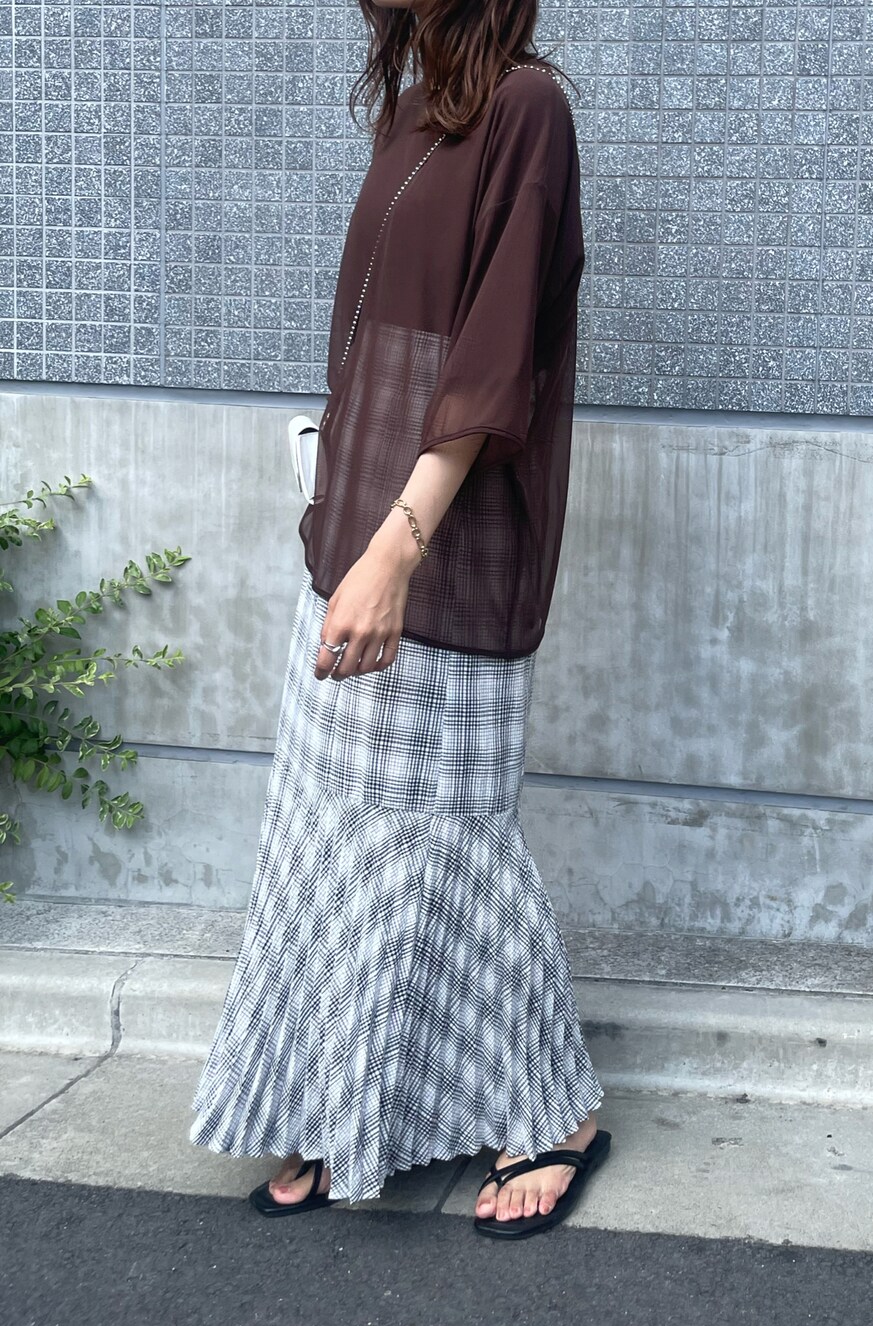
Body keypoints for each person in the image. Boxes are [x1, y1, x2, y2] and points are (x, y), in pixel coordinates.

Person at [188, 0, 609, 1240]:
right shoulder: (415, 110)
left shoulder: (527, 108)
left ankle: (554, 1111)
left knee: (447, 835)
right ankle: (348, 1096)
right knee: (333, 833)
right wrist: (347, 528)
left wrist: (395, 548)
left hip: (438, 548)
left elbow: (492, 363)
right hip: (359, 532)